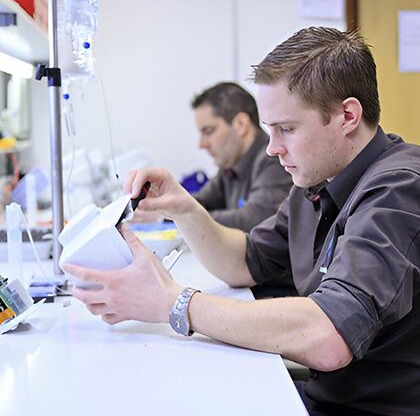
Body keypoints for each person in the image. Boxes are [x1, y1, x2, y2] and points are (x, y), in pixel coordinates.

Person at [67, 27, 420, 416]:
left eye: (286, 128)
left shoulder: (398, 189)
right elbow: (243, 261)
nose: (272, 147)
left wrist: (173, 302)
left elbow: (328, 336)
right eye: (271, 130)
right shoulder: (318, 181)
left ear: (347, 116)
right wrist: (183, 207)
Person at [190, 82, 292, 232]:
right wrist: (166, 205)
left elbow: (254, 220)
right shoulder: (230, 165)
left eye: (209, 131)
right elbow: (198, 203)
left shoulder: (274, 159)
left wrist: (187, 215)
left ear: (241, 124)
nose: (202, 144)